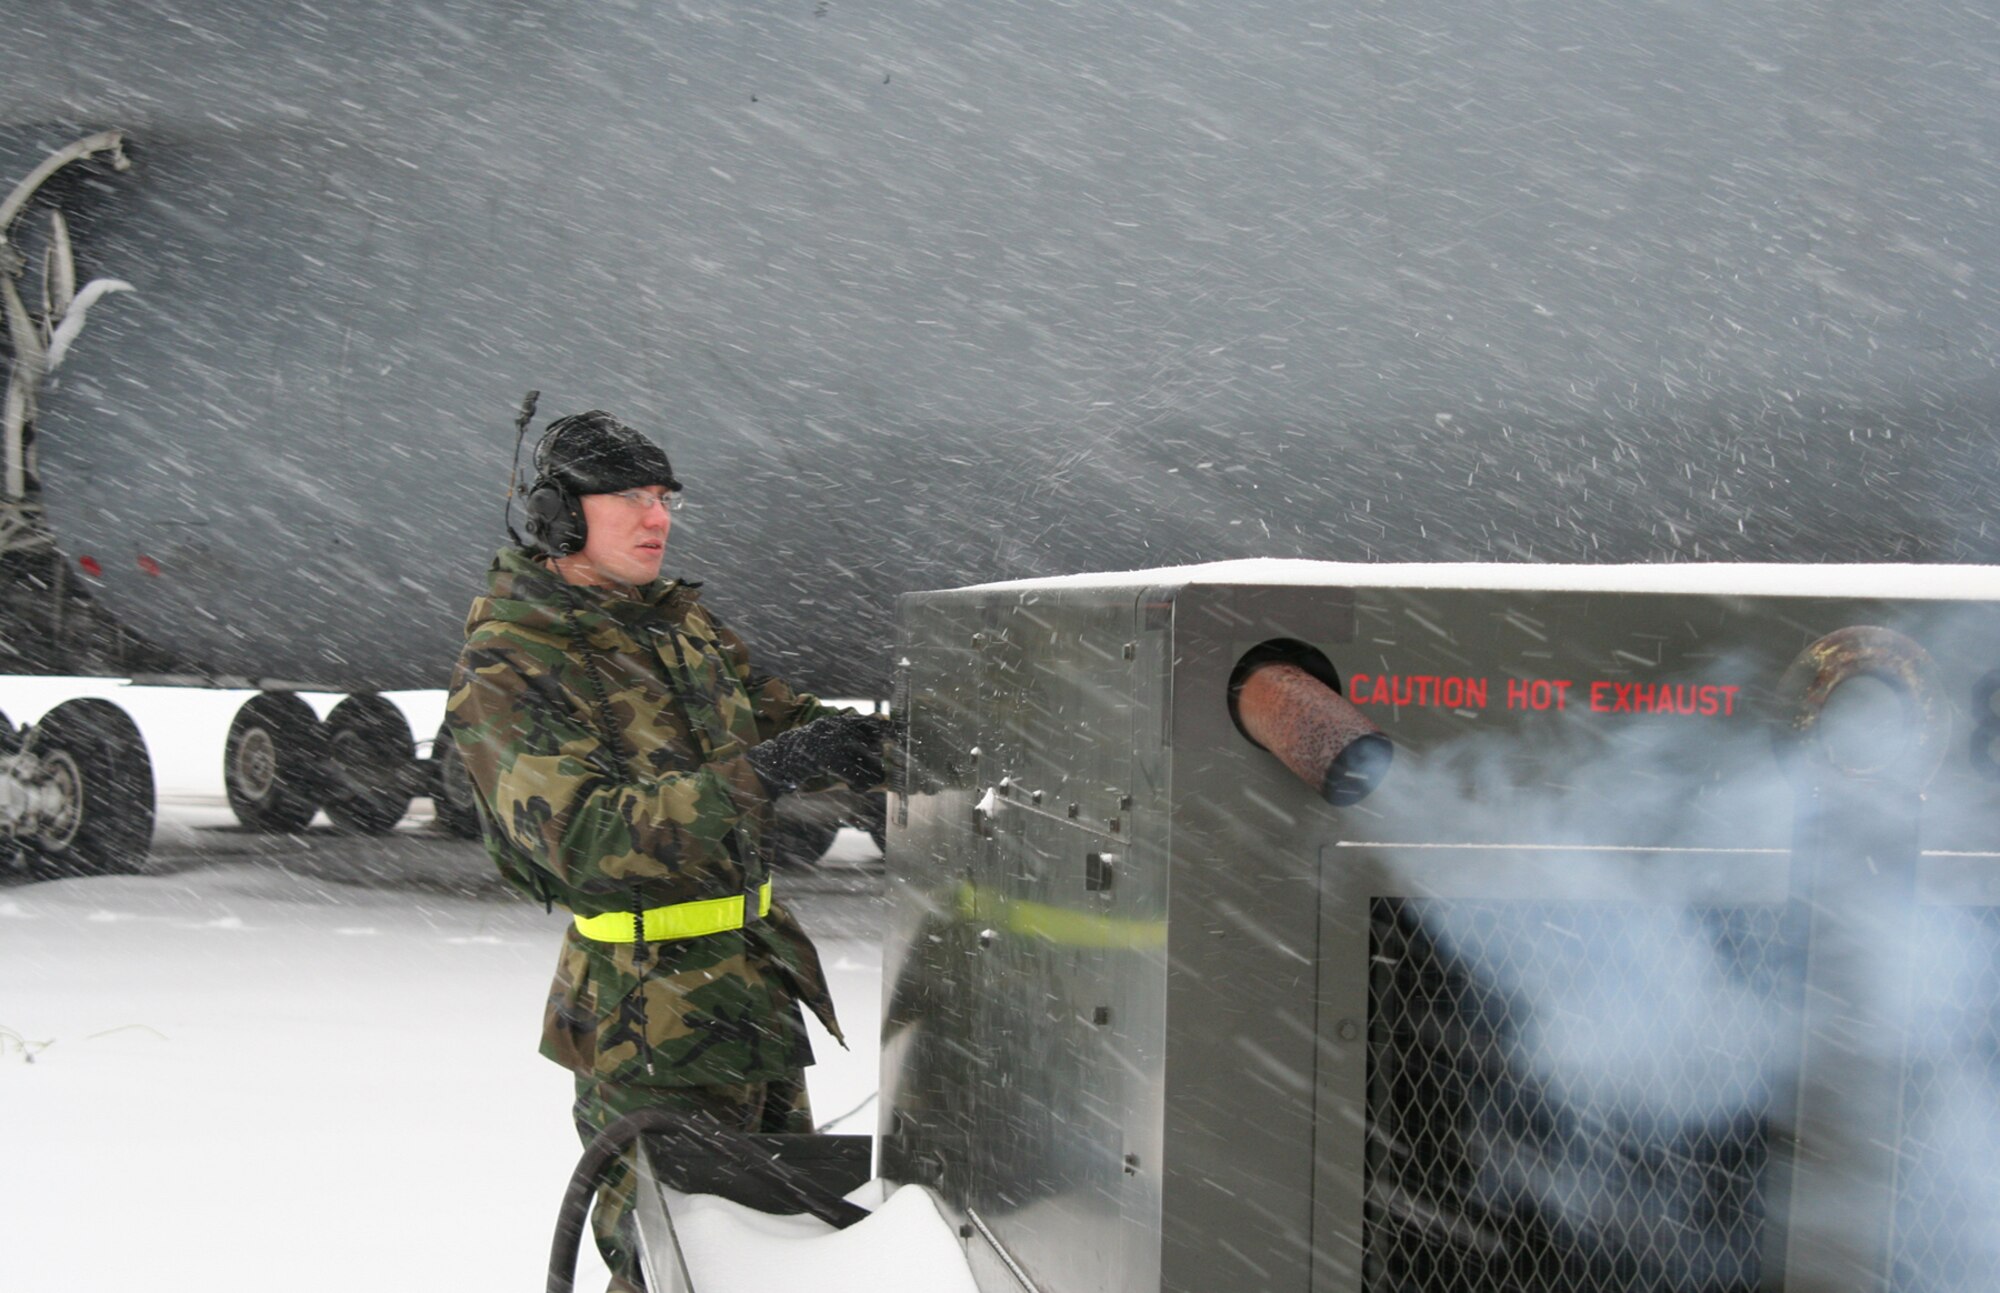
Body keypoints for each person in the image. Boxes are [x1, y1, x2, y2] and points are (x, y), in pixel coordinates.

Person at [444, 409, 885, 1291]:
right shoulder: (511, 664)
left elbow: (791, 724)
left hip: (756, 993)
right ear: (561, 516)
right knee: (672, 1268)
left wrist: (884, 746)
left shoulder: (680, 626)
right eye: (631, 499)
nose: (658, 519)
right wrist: (765, 772)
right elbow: (587, 838)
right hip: (649, 1020)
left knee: (787, 1255)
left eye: (665, 497)